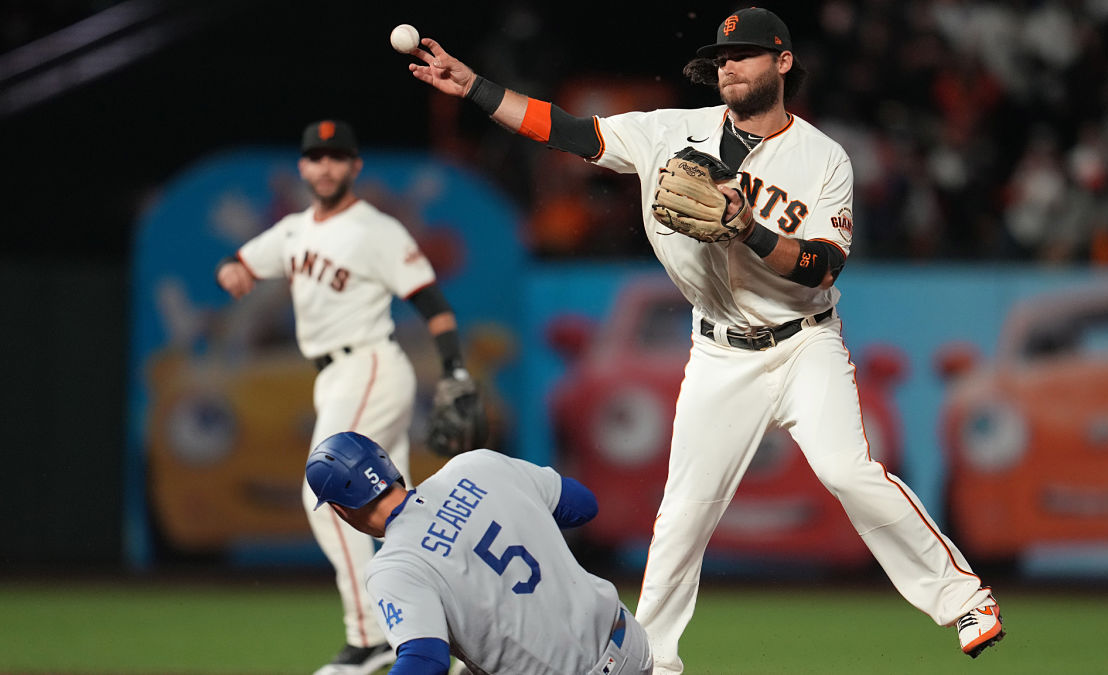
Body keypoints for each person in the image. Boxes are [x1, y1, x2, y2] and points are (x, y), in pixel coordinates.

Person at [405, 7, 1004, 673]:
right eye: (721, 58)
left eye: (745, 55)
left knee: (847, 470)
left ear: (782, 63)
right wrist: (477, 87)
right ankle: (649, 661)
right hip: (719, 352)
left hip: (804, 342)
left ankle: (963, 598)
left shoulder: (822, 158)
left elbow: (822, 265)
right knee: (683, 512)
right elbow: (565, 130)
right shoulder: (668, 132)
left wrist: (747, 226)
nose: (730, 67)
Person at [216, 119, 481, 675]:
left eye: (338, 156)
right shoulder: (292, 232)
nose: (327, 166)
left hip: (369, 364)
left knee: (331, 497)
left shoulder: (377, 230)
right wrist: (234, 270)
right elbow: (242, 262)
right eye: (317, 156)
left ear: (355, 166)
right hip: (332, 374)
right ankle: (447, 636)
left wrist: (454, 370)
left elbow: (432, 304)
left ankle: (373, 637)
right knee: (399, 515)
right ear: (303, 168)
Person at [305, 430, 654, 675]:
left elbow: (426, 660)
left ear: (340, 510)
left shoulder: (392, 568)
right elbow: (583, 506)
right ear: (387, 466)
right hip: (632, 647)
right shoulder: (476, 466)